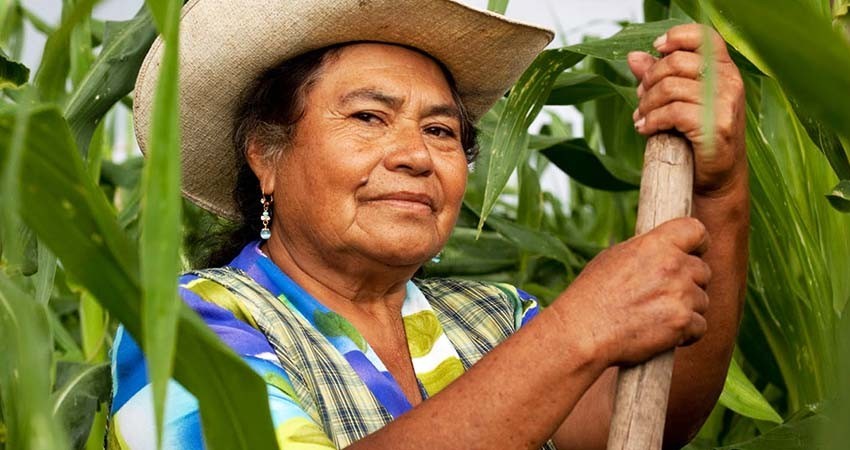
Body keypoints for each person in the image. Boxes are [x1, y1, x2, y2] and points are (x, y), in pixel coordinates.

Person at [108, 0, 749, 448]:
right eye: (368, 117)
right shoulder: (183, 329)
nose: (416, 155)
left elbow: (643, 418)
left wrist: (719, 189)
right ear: (265, 156)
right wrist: (579, 329)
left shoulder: (494, 320)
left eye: (440, 130)